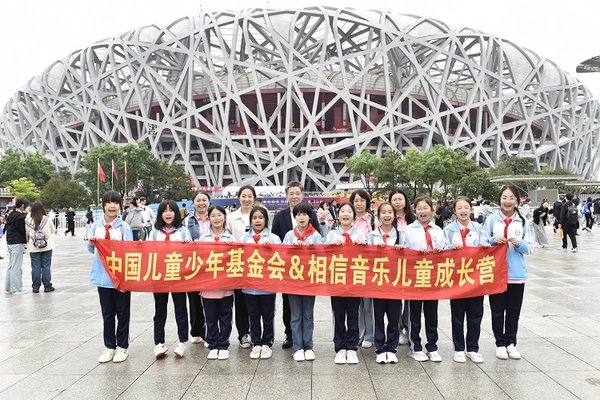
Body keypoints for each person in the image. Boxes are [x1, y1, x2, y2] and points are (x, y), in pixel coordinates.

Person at [484, 185, 534, 360]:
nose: (507, 201)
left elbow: (531, 248)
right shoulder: (491, 220)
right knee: (497, 311)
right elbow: (482, 243)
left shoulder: (523, 221)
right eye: (504, 197)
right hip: (496, 274)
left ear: (517, 200)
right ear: (499, 199)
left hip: (516, 275)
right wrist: (492, 240)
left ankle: (511, 343)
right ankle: (499, 343)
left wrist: (519, 243)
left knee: (513, 312)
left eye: (511, 198)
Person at [270, 181, 319, 349]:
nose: (294, 196)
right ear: (286, 196)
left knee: (306, 311)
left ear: (302, 195)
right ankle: (290, 335)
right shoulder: (280, 217)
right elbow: (276, 243)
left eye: (297, 193)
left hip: (308, 272)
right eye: (291, 193)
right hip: (289, 272)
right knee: (289, 305)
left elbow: (320, 243)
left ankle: (307, 342)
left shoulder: (311, 215)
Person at [88, 190, 133, 363]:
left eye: (115, 203)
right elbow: (91, 250)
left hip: (121, 278)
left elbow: (130, 252)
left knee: (122, 313)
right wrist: (92, 243)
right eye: (108, 203)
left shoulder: (124, 227)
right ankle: (109, 346)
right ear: (103, 205)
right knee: (107, 314)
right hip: (102, 277)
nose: (112, 206)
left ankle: (122, 346)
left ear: (120, 206)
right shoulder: (96, 226)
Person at [444, 196, 489, 364]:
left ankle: (472, 348)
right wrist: (450, 248)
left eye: (466, 207)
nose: (463, 211)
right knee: (457, 315)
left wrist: (486, 246)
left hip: (475, 279)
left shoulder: (478, 228)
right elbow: (442, 251)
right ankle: (458, 348)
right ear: (454, 211)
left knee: (475, 314)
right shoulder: (448, 230)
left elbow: (487, 245)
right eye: (459, 208)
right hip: (456, 279)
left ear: (471, 209)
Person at [402, 196, 447, 362]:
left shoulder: (438, 231)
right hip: (415, 278)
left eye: (426, 208)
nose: (422, 211)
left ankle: (432, 346)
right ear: (414, 211)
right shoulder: (408, 230)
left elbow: (447, 254)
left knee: (431, 314)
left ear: (432, 211)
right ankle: (415, 346)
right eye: (419, 208)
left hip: (432, 278)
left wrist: (441, 252)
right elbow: (403, 253)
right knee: (414, 314)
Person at [148, 199, 190, 360]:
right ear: (160, 214)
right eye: (164, 211)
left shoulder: (183, 231)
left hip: (179, 277)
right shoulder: (154, 232)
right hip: (159, 277)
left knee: (181, 310)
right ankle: (159, 343)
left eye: (171, 210)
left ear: (176, 213)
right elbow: (147, 252)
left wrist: (188, 245)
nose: (168, 214)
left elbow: (194, 253)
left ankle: (182, 342)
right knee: (160, 311)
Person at [326, 202, 366, 365]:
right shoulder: (331, 234)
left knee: (353, 316)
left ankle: (352, 347)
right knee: (339, 315)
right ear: (338, 215)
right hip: (337, 283)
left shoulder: (360, 234)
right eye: (343, 211)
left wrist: (363, 245)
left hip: (354, 282)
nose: (346, 214)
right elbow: (323, 254)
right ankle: (340, 347)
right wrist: (330, 245)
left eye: (349, 211)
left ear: (353, 216)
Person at [282, 202, 322, 362]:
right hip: (293, 282)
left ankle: (308, 346)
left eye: (305, 214)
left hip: (310, 281)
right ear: (295, 217)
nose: (302, 217)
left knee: (308, 315)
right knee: (296, 316)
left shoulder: (316, 236)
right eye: (299, 214)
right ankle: (297, 347)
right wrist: (292, 247)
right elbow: (281, 256)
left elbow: (324, 257)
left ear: (310, 217)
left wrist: (315, 249)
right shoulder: (289, 235)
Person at [366, 201, 402, 364]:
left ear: (394, 215)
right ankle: (380, 348)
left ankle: (392, 348)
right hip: (378, 283)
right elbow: (364, 259)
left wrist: (401, 251)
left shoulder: (401, 235)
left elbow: (410, 259)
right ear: (378, 216)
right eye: (383, 212)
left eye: (390, 212)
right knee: (378, 316)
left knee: (394, 317)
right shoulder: (371, 236)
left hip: (395, 283)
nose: (387, 215)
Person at [243, 207, 281, 360]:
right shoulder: (244, 238)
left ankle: (267, 342)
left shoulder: (274, 238)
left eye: (261, 217)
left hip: (267, 286)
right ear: (251, 221)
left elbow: (281, 258)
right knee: (253, 315)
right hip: (250, 286)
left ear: (266, 220)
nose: (258, 220)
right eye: (255, 218)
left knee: (267, 314)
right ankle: (256, 342)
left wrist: (271, 250)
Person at [200, 205, 235, 360]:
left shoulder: (231, 239)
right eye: (213, 216)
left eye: (219, 215)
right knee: (210, 317)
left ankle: (224, 344)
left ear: (224, 218)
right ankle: (213, 344)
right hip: (208, 286)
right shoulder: (203, 239)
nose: (216, 219)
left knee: (226, 316)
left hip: (226, 286)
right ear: (209, 218)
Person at [225, 185, 256, 349]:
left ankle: (257, 333)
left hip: (255, 264)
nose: (246, 199)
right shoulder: (231, 217)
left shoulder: (260, 213)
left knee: (256, 301)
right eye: (244, 196)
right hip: (237, 264)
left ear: (254, 198)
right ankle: (243, 333)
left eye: (250, 196)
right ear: (238, 197)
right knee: (241, 302)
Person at [183, 191, 211, 345]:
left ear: (209, 202)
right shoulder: (187, 221)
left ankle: (209, 331)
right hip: (193, 264)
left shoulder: (216, 217)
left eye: (204, 200)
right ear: (193, 203)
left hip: (212, 264)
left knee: (210, 298)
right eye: (198, 200)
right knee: (194, 298)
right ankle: (196, 329)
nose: (201, 203)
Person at [388, 189, 415, 346]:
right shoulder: (387, 218)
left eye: (400, 198)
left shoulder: (413, 220)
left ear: (405, 200)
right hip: (393, 265)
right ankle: (397, 329)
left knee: (411, 298)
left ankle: (408, 326)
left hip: (411, 264)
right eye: (394, 199)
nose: (397, 202)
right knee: (395, 298)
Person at [349, 189, 375, 349]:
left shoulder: (373, 221)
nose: (358, 203)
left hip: (368, 266)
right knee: (355, 303)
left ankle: (369, 335)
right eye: (356, 200)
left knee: (367, 303)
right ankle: (358, 333)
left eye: (362, 200)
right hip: (351, 267)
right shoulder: (347, 218)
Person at [25, 201, 56, 293]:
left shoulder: (28, 221)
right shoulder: (47, 219)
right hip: (47, 246)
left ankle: (35, 287)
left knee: (35, 267)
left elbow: (26, 233)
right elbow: (53, 230)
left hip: (33, 247)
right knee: (46, 266)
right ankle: (47, 286)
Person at [4, 198, 30, 294]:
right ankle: (16, 288)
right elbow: (22, 230)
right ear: (23, 205)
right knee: (16, 266)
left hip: (10, 241)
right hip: (17, 242)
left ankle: (8, 287)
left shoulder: (11, 214)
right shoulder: (20, 217)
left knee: (11, 265)